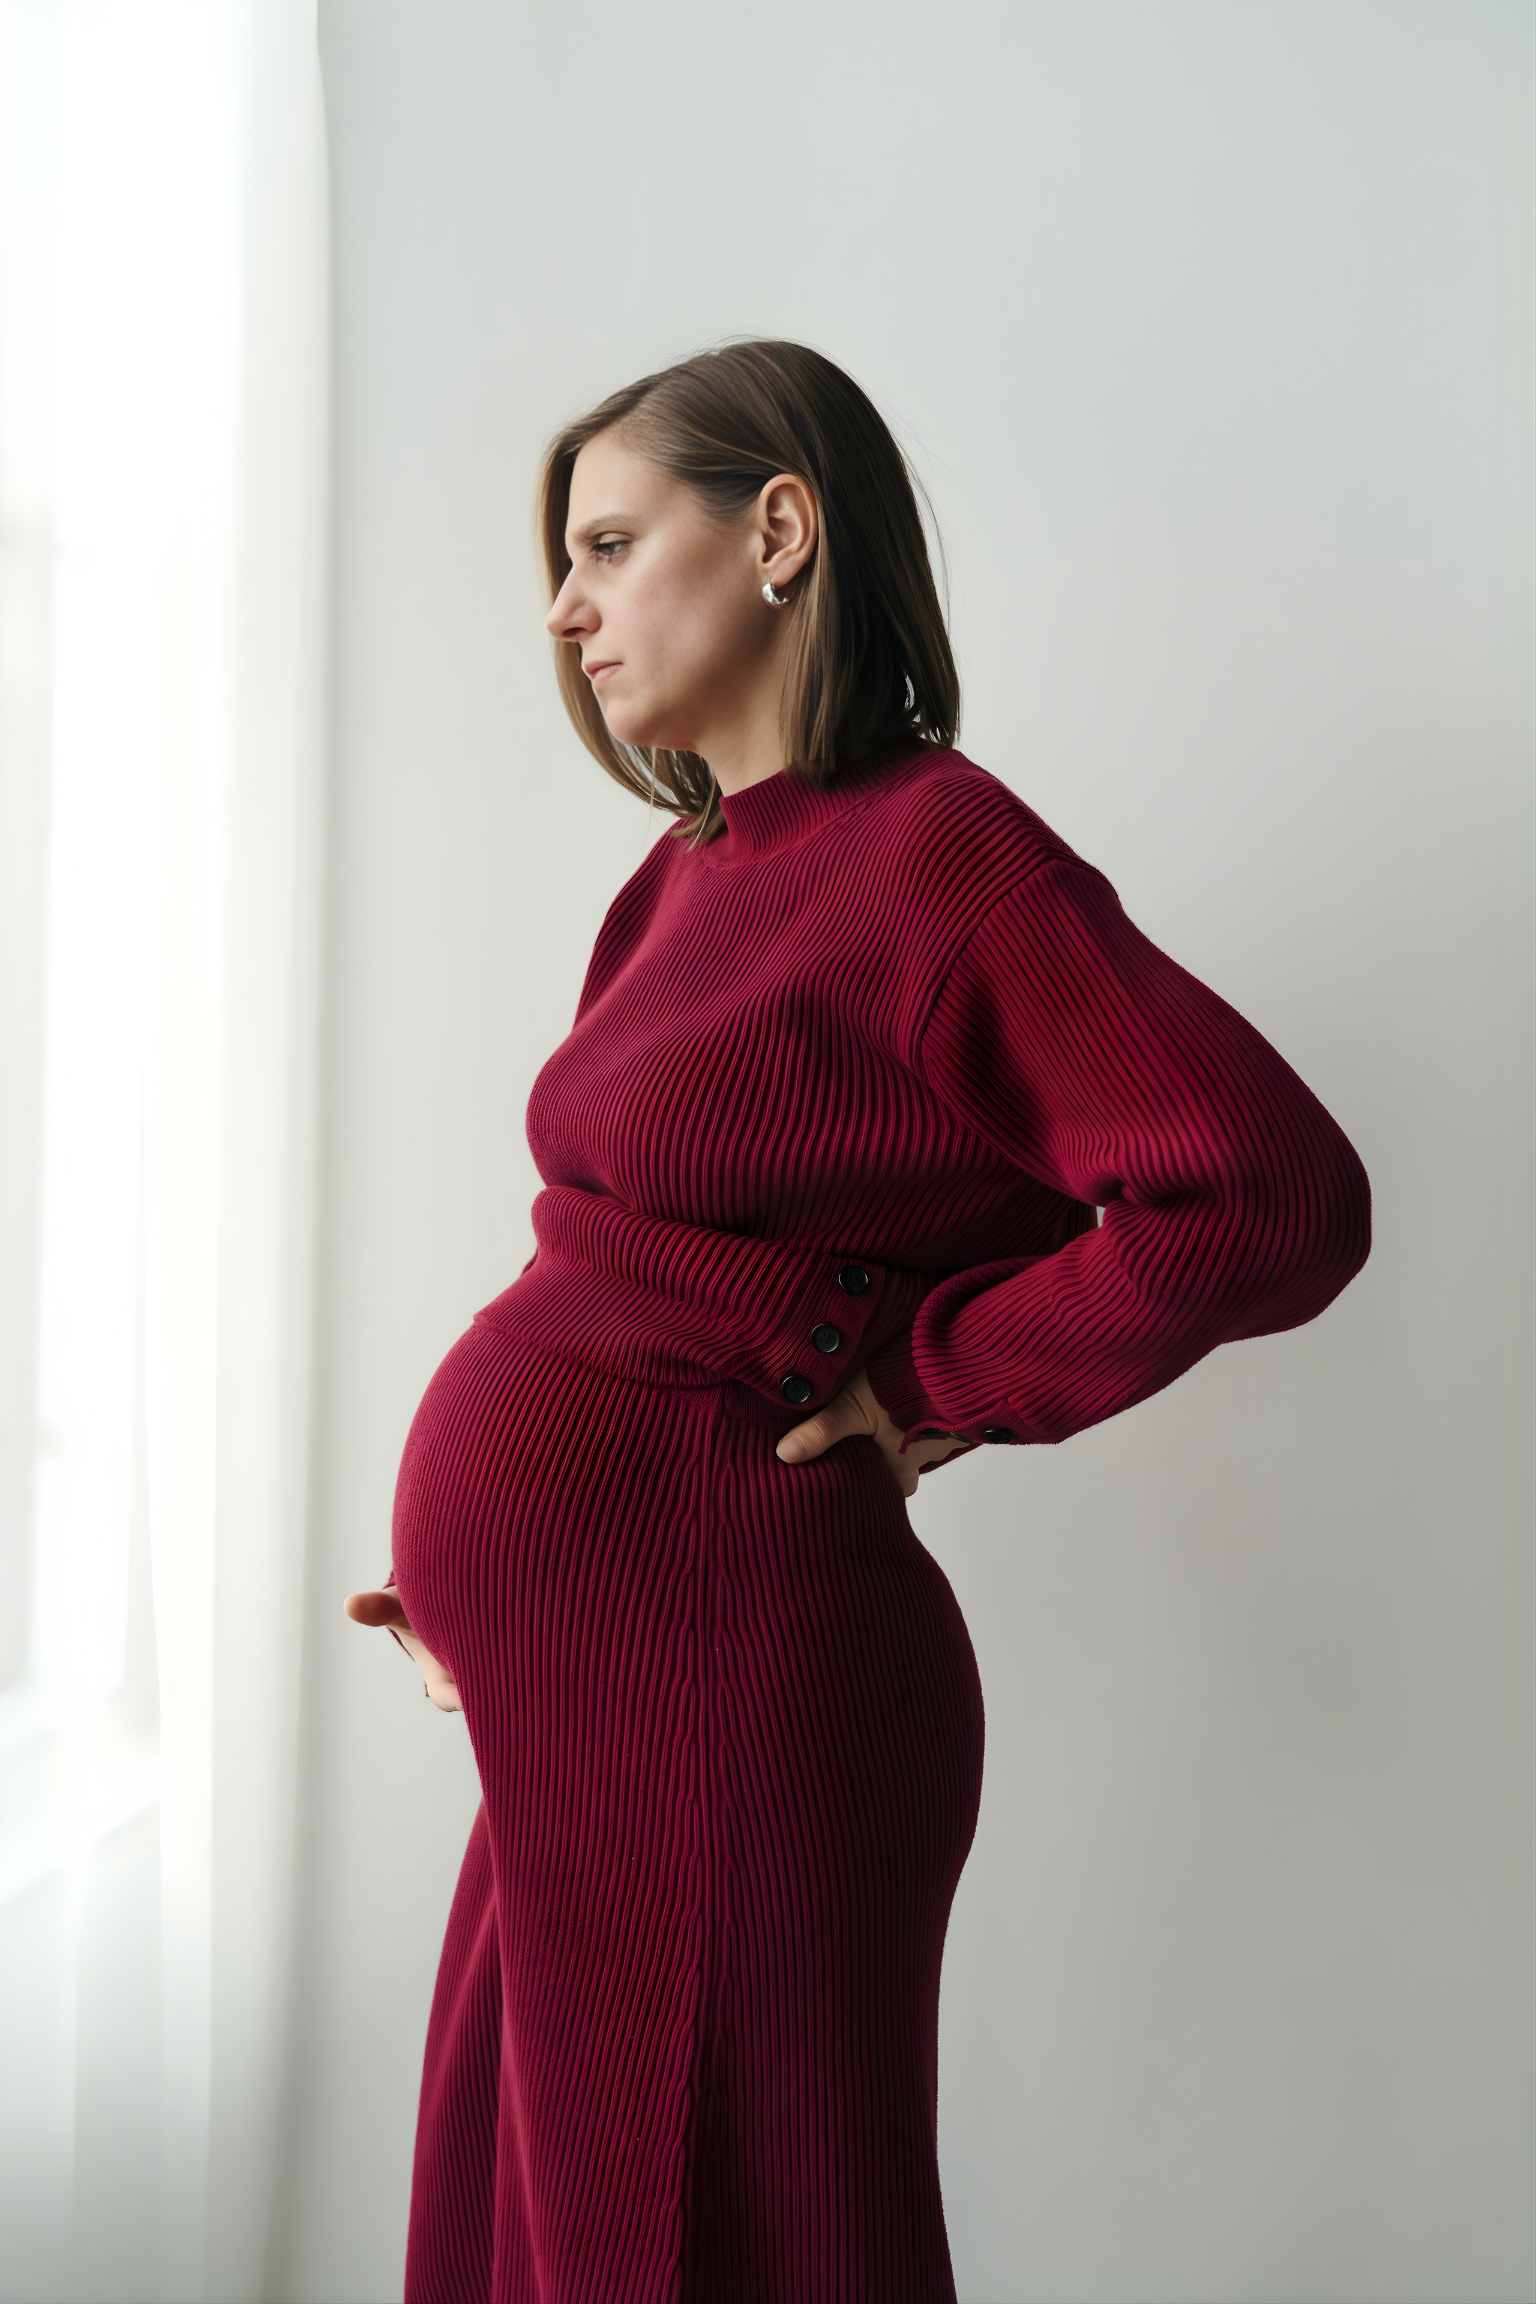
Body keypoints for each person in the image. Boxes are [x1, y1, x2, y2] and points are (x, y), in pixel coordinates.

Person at [345, 339, 1370, 2304]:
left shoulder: (942, 860)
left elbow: (1271, 1192)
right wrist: (489, 1591)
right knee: (547, 2219)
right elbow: (641, 1281)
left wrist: (932, 1373)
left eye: (613, 542)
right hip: (603, 1692)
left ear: (783, 530)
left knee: (719, 2237)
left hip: (746, 1694)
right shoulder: (685, 876)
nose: (564, 609)